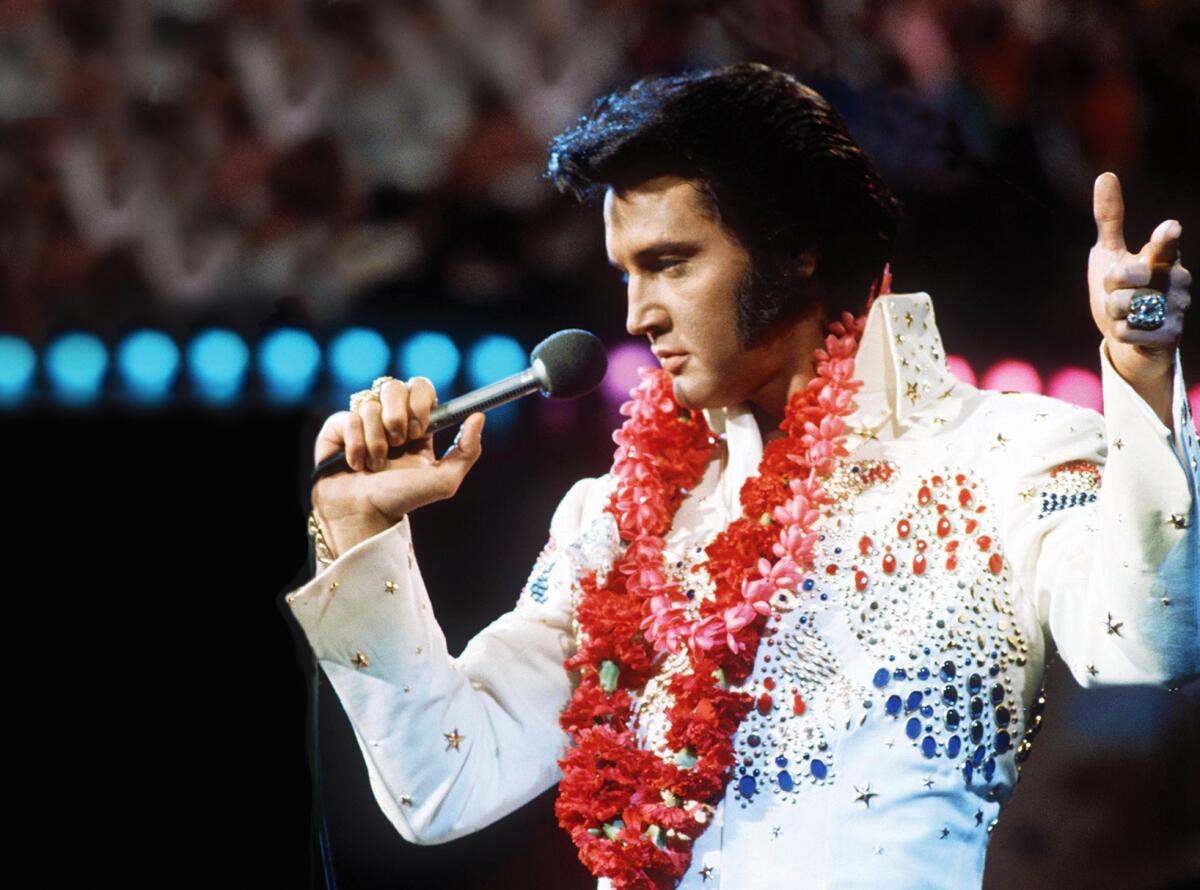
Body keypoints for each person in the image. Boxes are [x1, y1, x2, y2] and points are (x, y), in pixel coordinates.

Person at [284, 63, 1198, 889]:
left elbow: (1152, 642)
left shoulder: (1004, 455)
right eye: (625, 272)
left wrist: (1142, 375)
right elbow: (445, 783)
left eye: (670, 263)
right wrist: (361, 535)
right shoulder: (613, 522)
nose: (638, 312)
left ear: (795, 247)